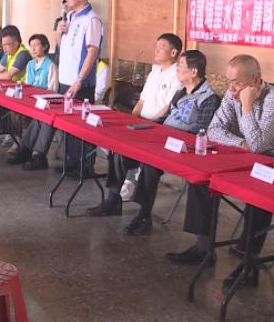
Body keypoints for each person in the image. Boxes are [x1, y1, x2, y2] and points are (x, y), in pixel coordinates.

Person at [166, 55, 274, 284]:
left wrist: (247, 105)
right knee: (203, 177)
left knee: (258, 191)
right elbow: (213, 129)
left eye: (237, 83)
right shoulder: (233, 95)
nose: (231, 89)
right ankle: (203, 246)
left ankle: (249, 263)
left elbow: (258, 144)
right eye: (229, 82)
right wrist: (240, 143)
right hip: (249, 154)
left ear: (256, 80)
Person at [94, 50, 222, 237]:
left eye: (181, 66)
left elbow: (202, 131)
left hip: (182, 147)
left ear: (193, 72)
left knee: (149, 163)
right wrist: (150, 127)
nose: (177, 70)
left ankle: (144, 214)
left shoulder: (208, 98)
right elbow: (165, 117)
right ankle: (113, 200)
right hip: (163, 138)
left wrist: (174, 138)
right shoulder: (180, 92)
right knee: (120, 148)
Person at [85, 33, 184, 217]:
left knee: (141, 159)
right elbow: (141, 101)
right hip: (142, 124)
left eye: (162, 47)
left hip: (158, 128)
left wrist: (149, 124)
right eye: (157, 46)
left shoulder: (177, 76)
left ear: (173, 52)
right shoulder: (155, 72)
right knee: (117, 149)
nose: (157, 50)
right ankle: (113, 200)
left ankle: (141, 209)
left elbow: (168, 108)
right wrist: (133, 120)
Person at [56, 0, 103, 174]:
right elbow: (63, 47)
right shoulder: (70, 17)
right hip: (65, 79)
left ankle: (85, 166)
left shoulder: (92, 20)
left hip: (80, 82)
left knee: (82, 124)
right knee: (68, 123)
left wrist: (79, 80)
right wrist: (59, 33)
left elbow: (92, 52)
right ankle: (71, 162)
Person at [5, 33, 60, 171]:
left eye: (36, 45)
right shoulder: (30, 64)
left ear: (45, 47)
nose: (33, 48)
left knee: (43, 119)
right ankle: (25, 150)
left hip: (46, 103)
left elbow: (53, 90)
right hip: (32, 101)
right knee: (15, 113)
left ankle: (36, 155)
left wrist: (40, 99)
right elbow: (28, 86)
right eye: (31, 46)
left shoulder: (50, 65)